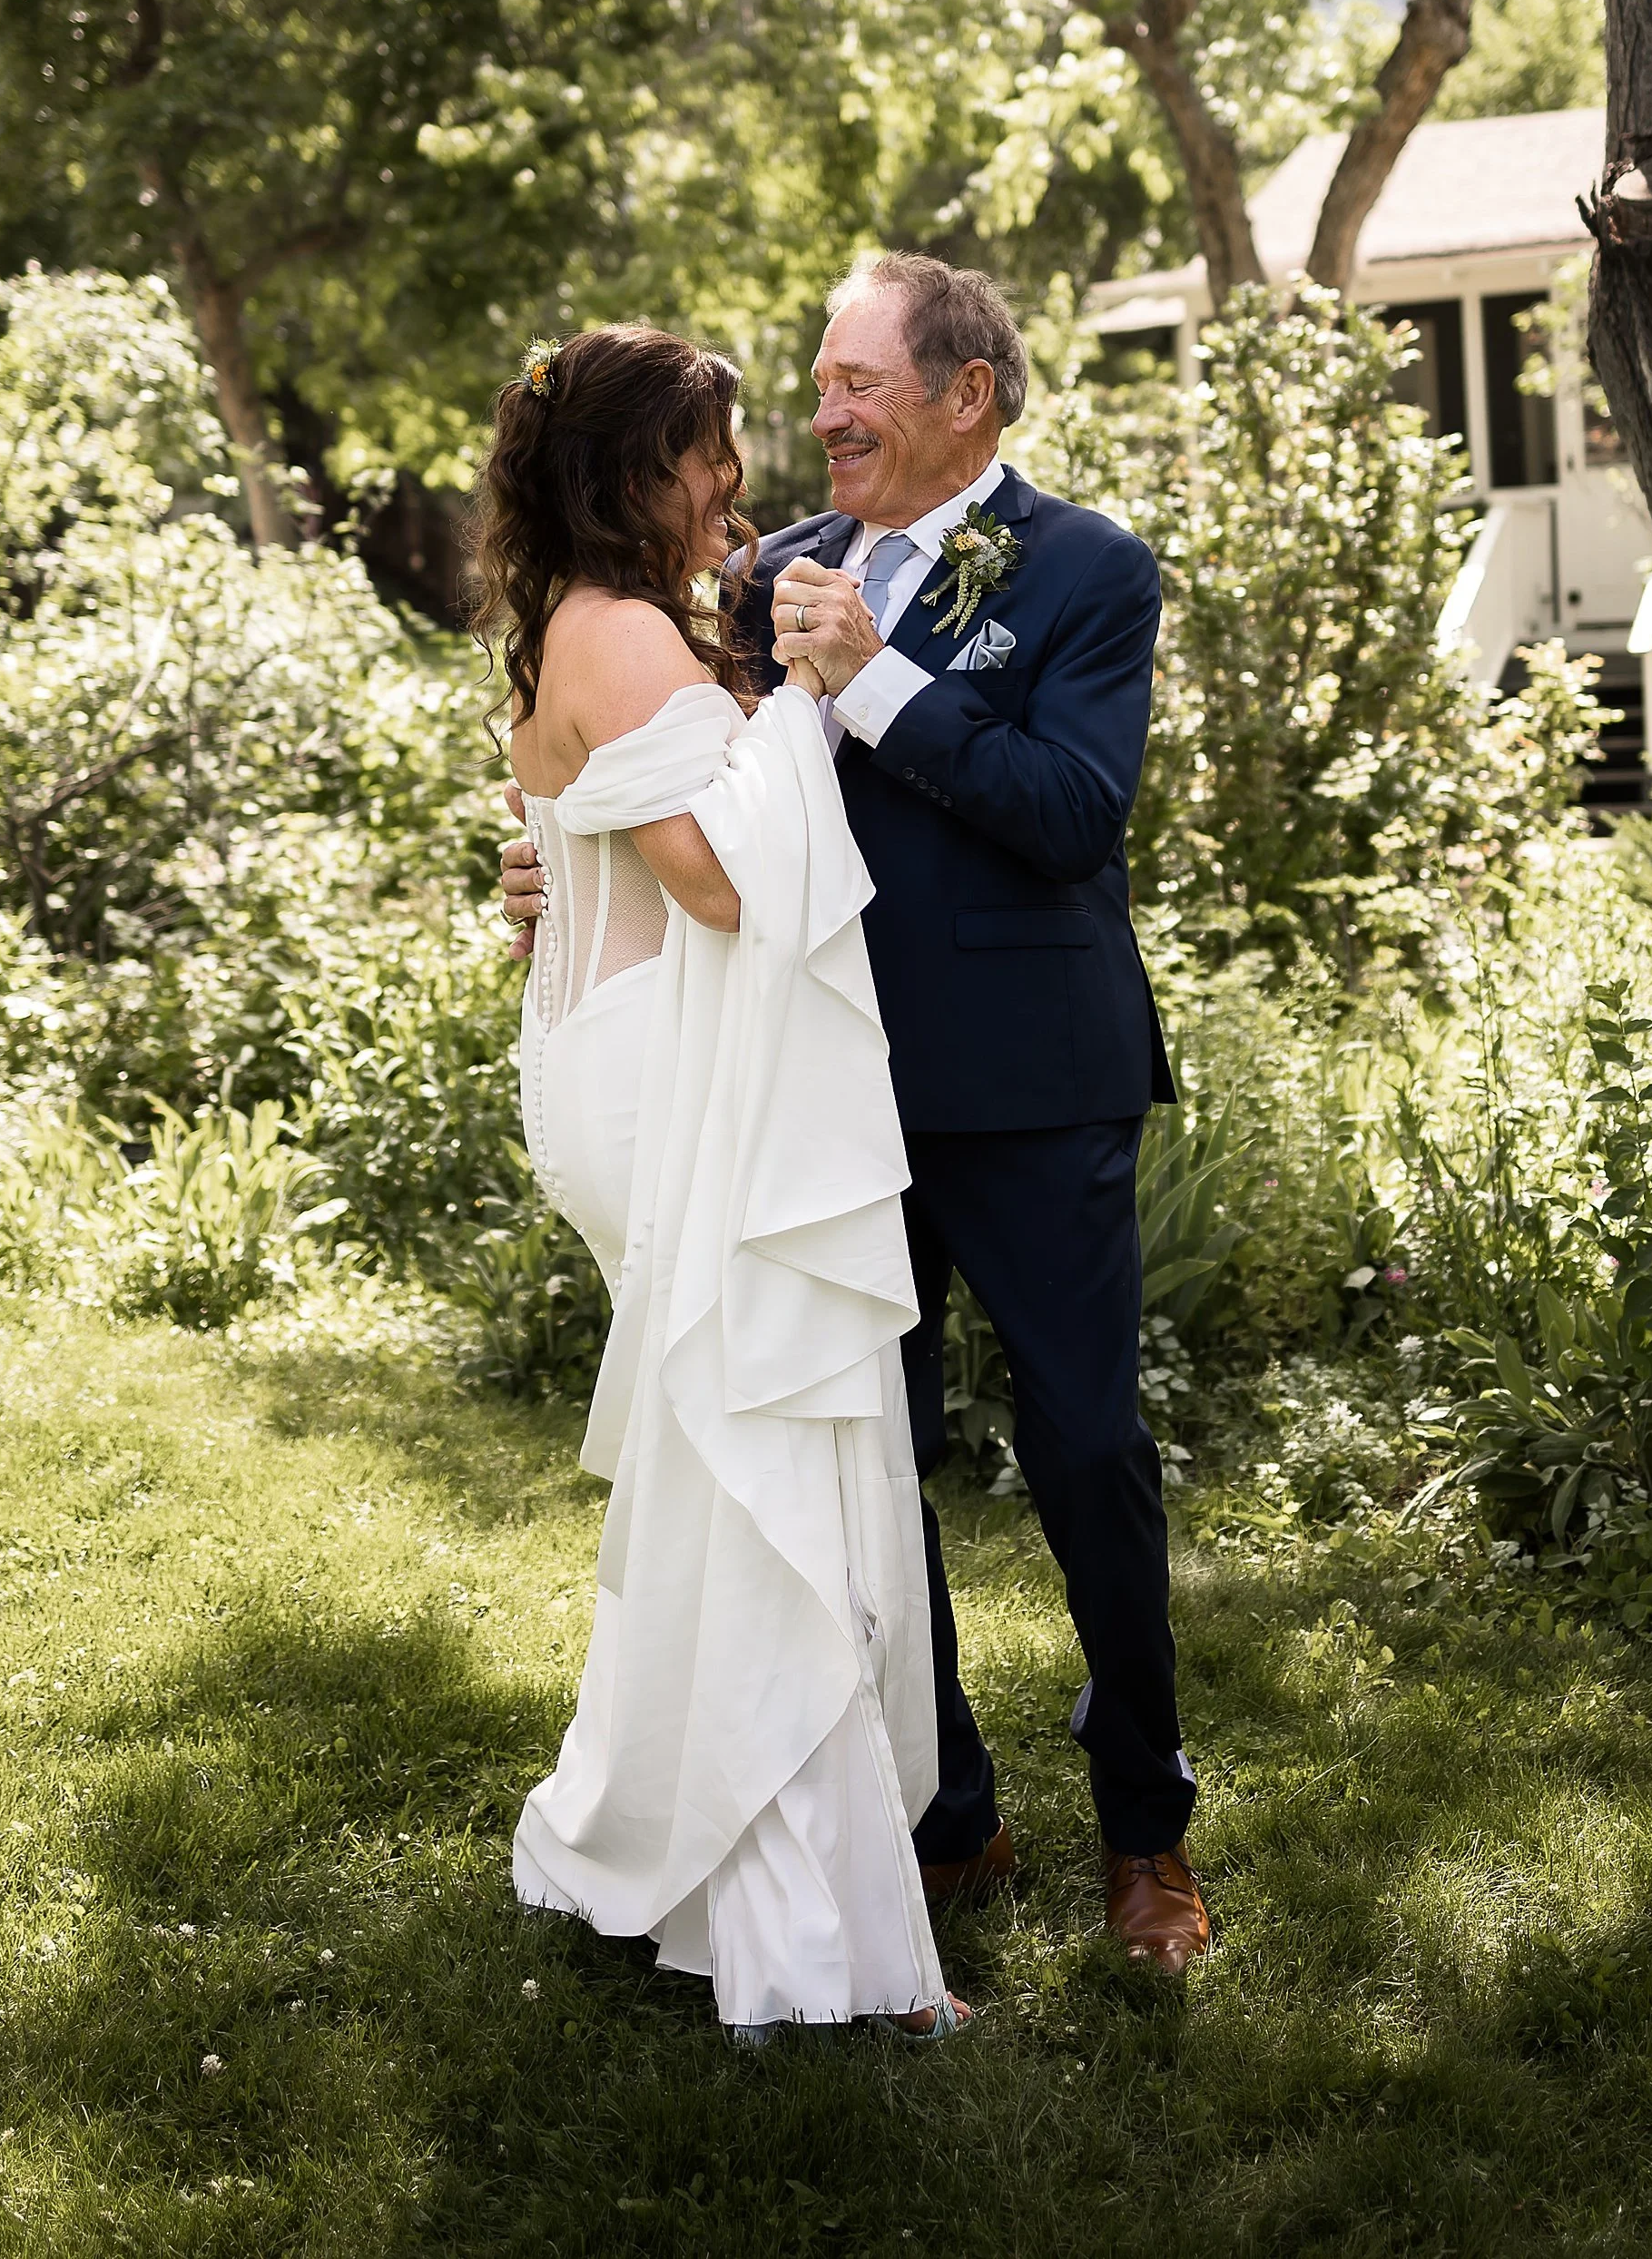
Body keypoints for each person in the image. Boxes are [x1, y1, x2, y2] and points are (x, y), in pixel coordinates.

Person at [504, 263, 1209, 1976]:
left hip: (1031, 1092)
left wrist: (882, 679)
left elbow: (1067, 815)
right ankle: (940, 1811)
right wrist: (564, 859)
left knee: (1088, 1450)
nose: (821, 419)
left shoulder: (1091, 570)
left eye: (856, 383)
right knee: (855, 1471)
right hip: (801, 1103)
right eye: (814, 386)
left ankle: (1146, 1833)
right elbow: (671, 787)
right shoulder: (742, 584)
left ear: (970, 394)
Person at [474, 321, 960, 2043]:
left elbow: (593, 836)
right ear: (632, 470)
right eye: (705, 452)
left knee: (713, 1458)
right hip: (670, 1075)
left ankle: (677, 1834)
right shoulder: (622, 636)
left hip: (632, 1065)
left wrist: (757, 709)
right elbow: (724, 886)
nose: (730, 483)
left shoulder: (576, 628)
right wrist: (811, 706)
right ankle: (785, 1928)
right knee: (757, 1460)